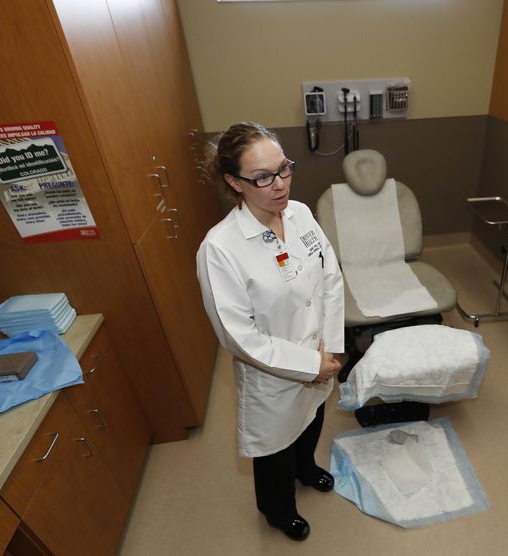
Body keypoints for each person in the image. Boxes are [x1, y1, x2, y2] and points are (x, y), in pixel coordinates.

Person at [196, 122, 344, 542]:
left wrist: (330, 349)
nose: (279, 185)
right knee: (275, 449)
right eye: (262, 177)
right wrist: (308, 364)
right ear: (233, 182)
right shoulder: (220, 248)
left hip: (321, 355)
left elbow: (329, 276)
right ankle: (279, 511)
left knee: (313, 419)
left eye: (284, 170)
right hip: (275, 374)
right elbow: (237, 335)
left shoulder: (300, 214)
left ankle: (308, 468)